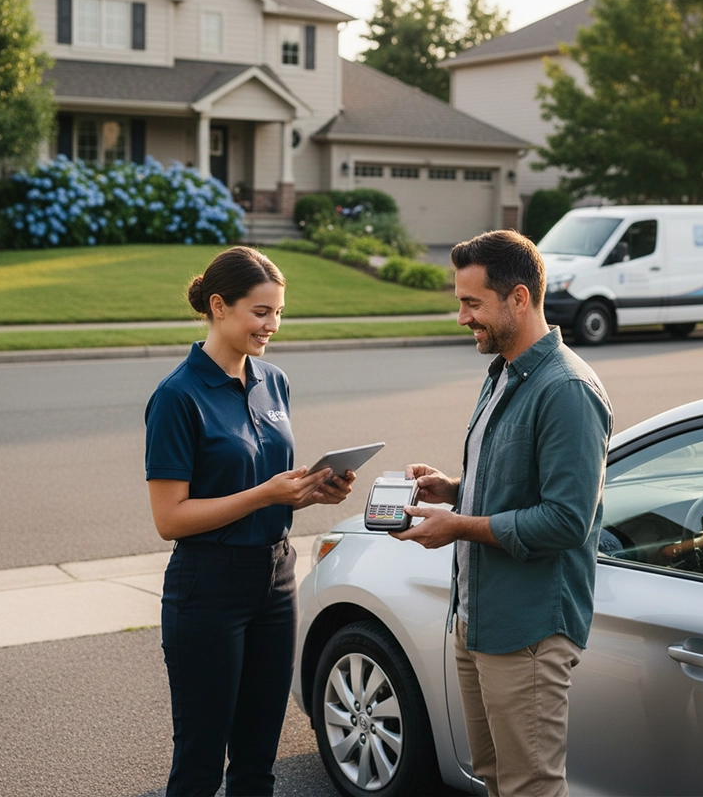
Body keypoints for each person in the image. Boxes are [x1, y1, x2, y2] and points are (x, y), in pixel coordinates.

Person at [395, 230, 613, 797]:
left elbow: (566, 520)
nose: (461, 317)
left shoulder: (567, 389)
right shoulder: (504, 371)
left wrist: (459, 527)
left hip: (528, 632)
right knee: (493, 780)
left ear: (519, 298)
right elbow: (519, 482)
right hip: (479, 621)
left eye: (473, 303)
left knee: (528, 787)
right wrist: (454, 490)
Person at [144, 246, 355, 797]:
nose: (272, 325)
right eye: (260, 312)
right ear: (219, 306)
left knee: (259, 761)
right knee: (200, 764)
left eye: (278, 312)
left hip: (276, 580)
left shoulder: (274, 381)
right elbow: (170, 518)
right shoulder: (176, 396)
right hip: (208, 588)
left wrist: (309, 493)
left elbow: (268, 489)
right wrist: (265, 494)